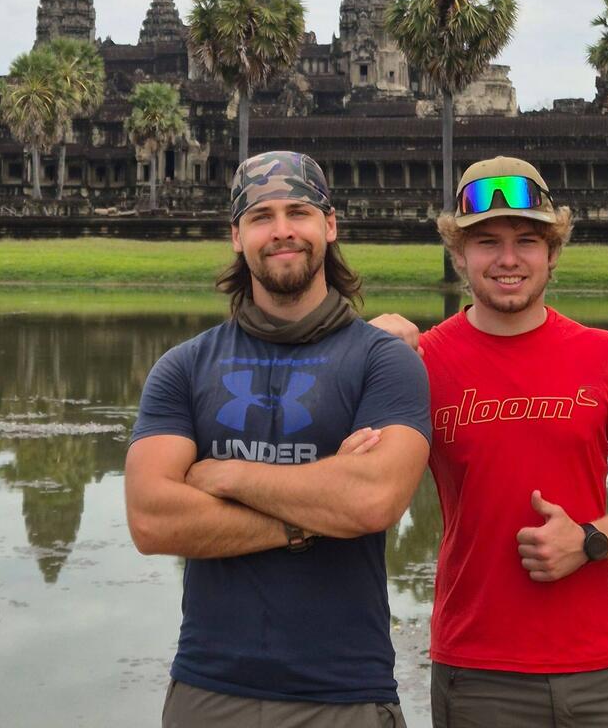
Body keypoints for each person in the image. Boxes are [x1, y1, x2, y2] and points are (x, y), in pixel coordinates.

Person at [372, 154, 608, 728]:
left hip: (600, 670)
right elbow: (351, 480)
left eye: (526, 239)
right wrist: (354, 352)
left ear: (552, 251)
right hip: (478, 671)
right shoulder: (420, 364)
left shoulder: (605, 355)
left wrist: (589, 539)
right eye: (487, 241)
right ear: (460, 253)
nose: (508, 259)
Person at [126, 150, 431, 726]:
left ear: (330, 225)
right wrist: (309, 514)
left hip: (345, 691)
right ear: (236, 236)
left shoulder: (383, 362)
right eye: (261, 216)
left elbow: (372, 500)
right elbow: (152, 520)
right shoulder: (184, 367)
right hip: (208, 687)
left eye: (299, 211)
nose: (282, 230)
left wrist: (225, 475)